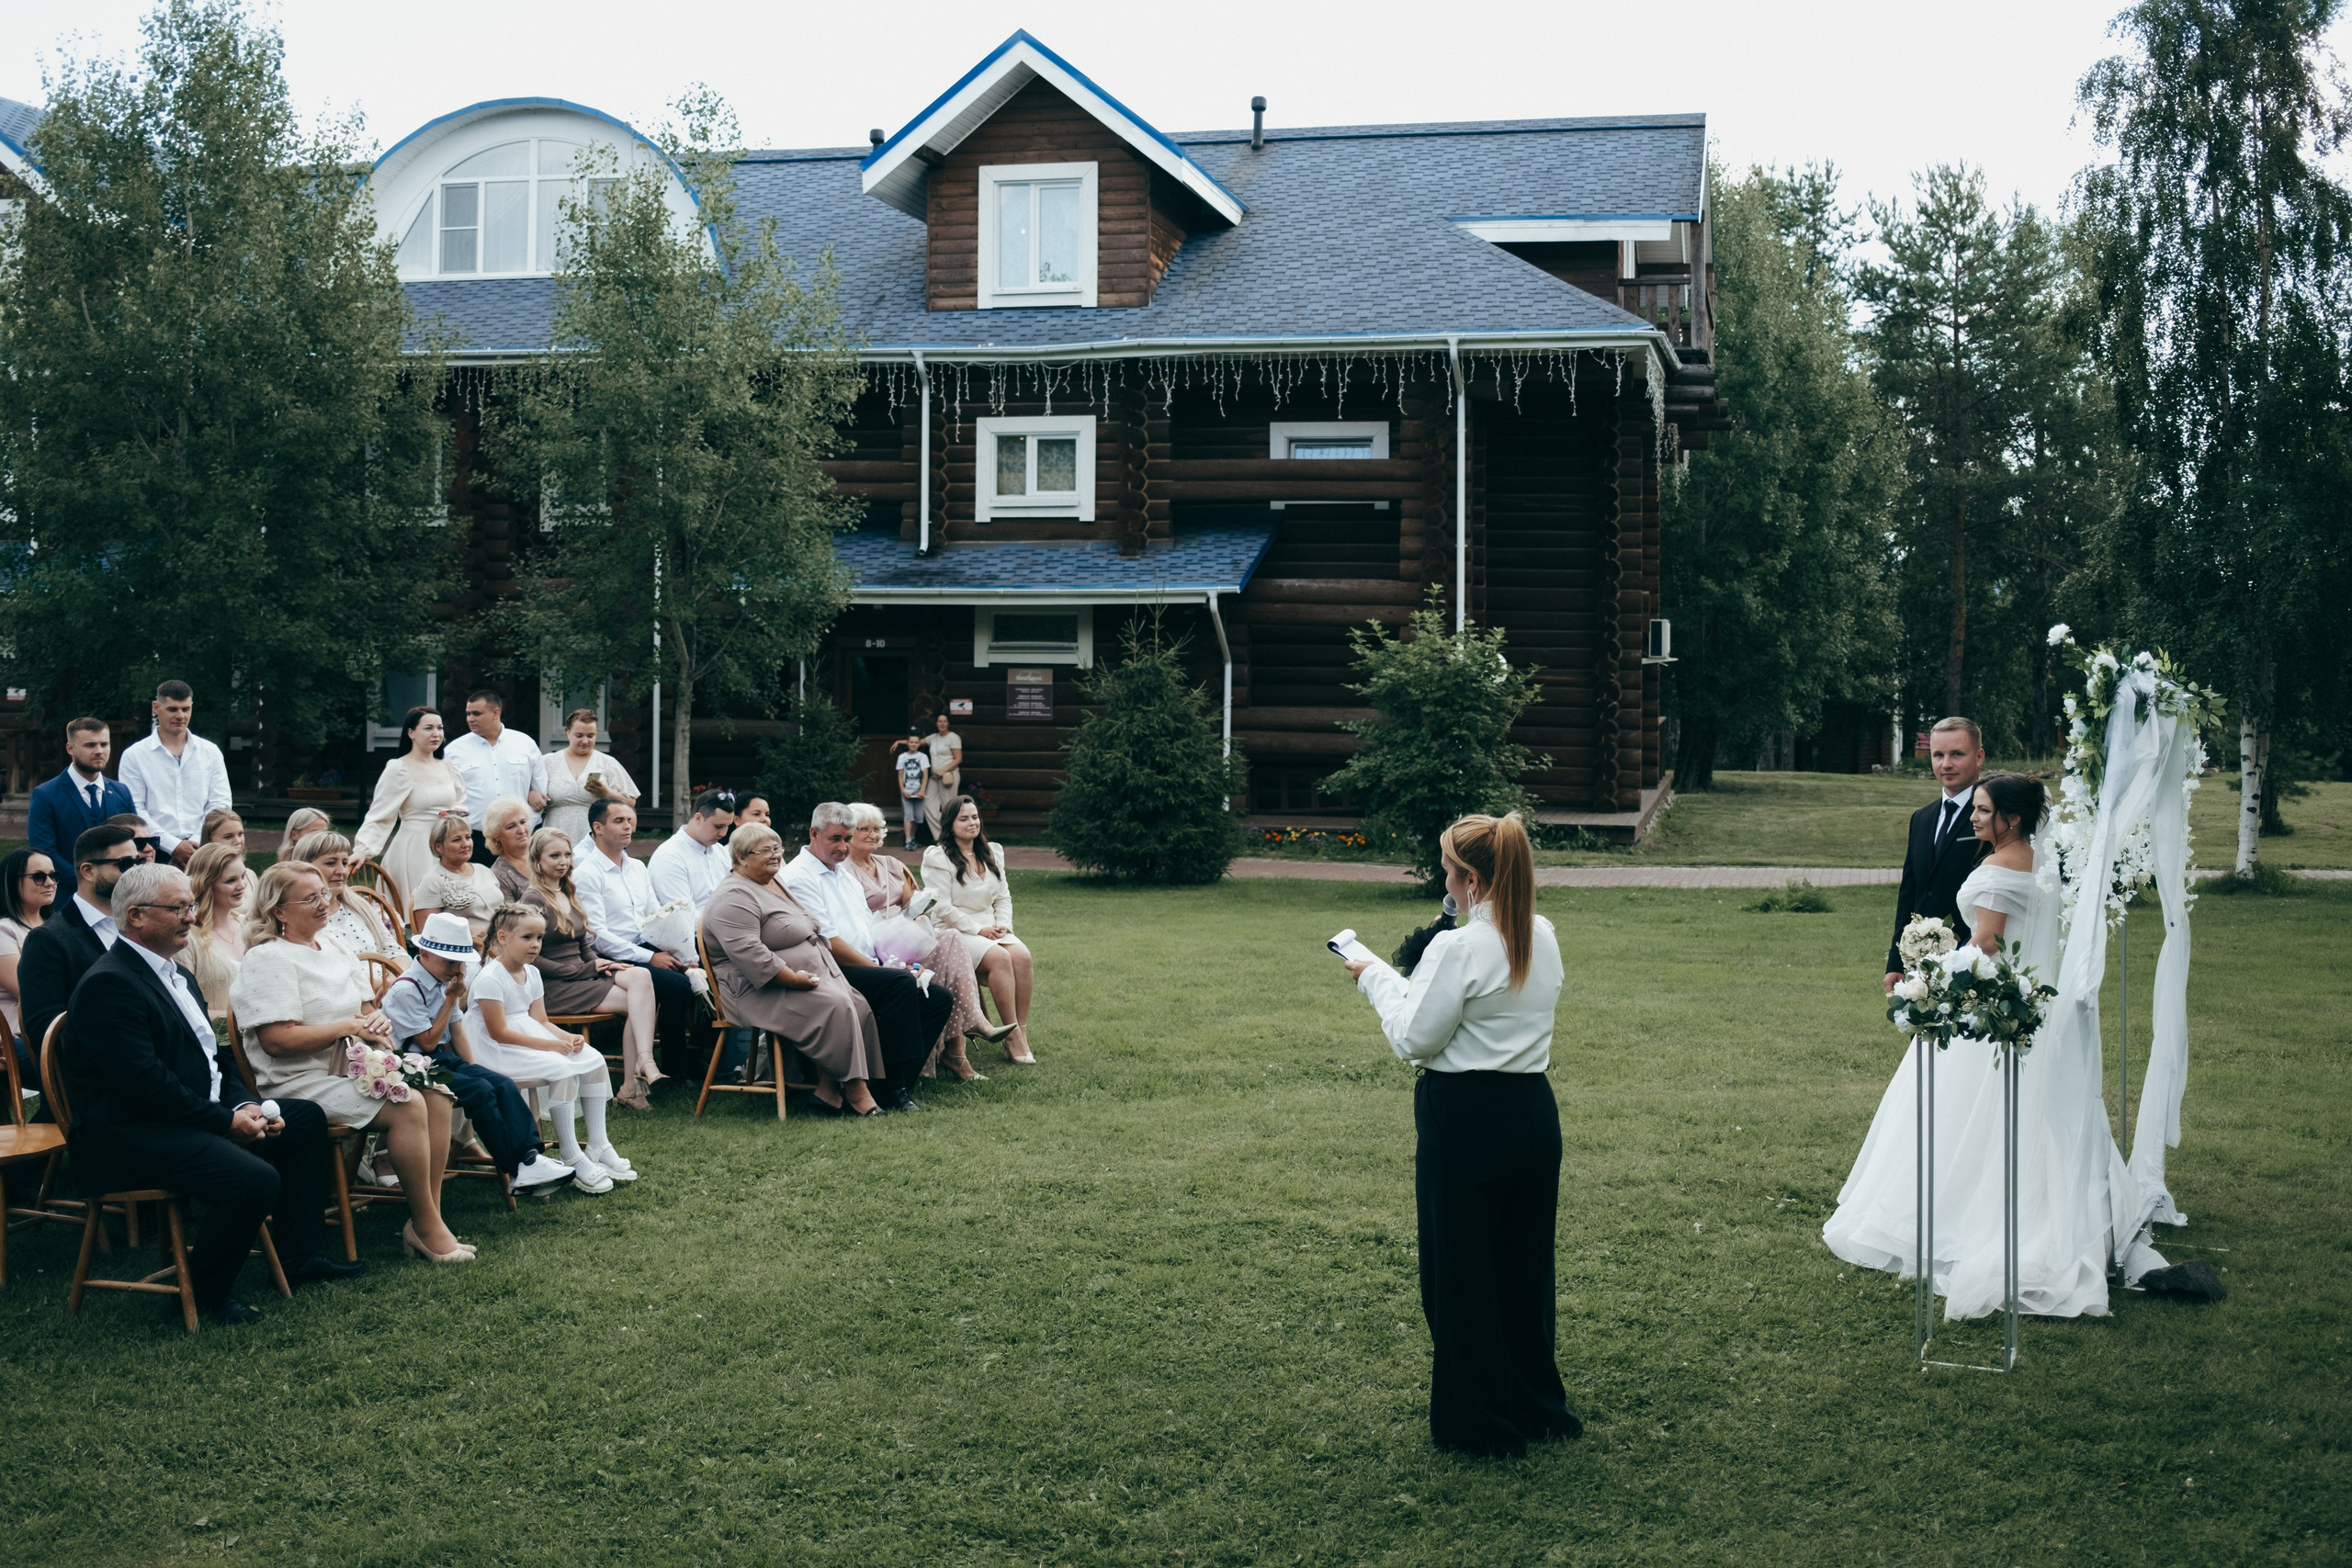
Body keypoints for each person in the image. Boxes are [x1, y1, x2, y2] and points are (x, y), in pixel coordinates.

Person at [1826, 773, 2160, 1320]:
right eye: (1975, 809)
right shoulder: (2038, 860)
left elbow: (1987, 947)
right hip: (2027, 1007)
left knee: (1965, 1118)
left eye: (1984, 811)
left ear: (2013, 819)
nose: (1975, 818)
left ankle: (1964, 1222)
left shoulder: (2003, 866)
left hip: (1989, 1009)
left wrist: (1930, 978)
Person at [1343, 811, 1579, 1457]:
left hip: (1467, 1116)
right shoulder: (1542, 934)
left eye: (1448, 870)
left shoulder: (1458, 947)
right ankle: (1534, 1400)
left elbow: (1414, 1039)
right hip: (1532, 1112)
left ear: (1471, 878)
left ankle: (1480, 1418)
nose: (1444, 879)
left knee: (1464, 1267)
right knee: (1522, 1266)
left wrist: (1373, 979)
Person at [61, 863, 359, 1325]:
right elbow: (144, 1087)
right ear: (135, 916)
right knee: (253, 1180)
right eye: (178, 907)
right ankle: (201, 1295)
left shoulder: (174, 973)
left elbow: (215, 1060)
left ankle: (301, 1257)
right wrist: (223, 1123)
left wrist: (246, 1105)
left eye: (191, 905)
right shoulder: (110, 983)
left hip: (179, 1117)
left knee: (305, 1120)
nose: (190, 916)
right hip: (127, 1137)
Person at [229, 861, 473, 1263]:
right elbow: (276, 1041)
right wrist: (349, 1026)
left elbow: (365, 1012)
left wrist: (375, 1023)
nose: (325, 903)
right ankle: (428, 1228)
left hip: (352, 1068)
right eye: (310, 898)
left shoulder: (336, 947)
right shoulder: (267, 959)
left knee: (438, 1094)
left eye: (324, 893)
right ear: (279, 911)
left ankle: (428, 1218)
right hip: (297, 1080)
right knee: (407, 1104)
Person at [376, 911, 578, 1197]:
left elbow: (457, 1031)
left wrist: (474, 1068)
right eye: (449, 961)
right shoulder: (407, 990)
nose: (456, 967)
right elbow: (429, 1042)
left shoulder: (445, 979)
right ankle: (518, 1168)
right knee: (481, 1092)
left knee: (501, 1084)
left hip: (443, 1061)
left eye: (460, 961)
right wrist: (450, 998)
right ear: (425, 953)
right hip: (410, 1066)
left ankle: (531, 1158)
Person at [700, 822, 889, 1116]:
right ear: (741, 858)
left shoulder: (771, 880)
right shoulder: (733, 897)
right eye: (766, 851)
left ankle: (828, 1091)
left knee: (857, 1004)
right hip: (756, 988)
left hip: (802, 976)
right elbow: (750, 954)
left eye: (777, 848)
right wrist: (792, 979)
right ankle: (856, 1090)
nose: (776, 855)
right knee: (836, 1005)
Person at [786, 804, 955, 1112]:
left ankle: (892, 1083)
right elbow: (828, 942)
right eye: (836, 838)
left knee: (938, 998)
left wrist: (893, 963)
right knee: (899, 986)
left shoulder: (844, 876)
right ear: (814, 833)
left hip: (864, 964)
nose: (843, 847)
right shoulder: (799, 876)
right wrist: (882, 970)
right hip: (828, 969)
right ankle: (892, 1090)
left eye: (848, 839)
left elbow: (869, 930)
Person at [475, 904, 634, 1190]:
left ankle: (598, 1144)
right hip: (494, 1048)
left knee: (593, 1058)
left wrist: (566, 1038)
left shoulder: (532, 973)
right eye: (527, 938)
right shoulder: (490, 977)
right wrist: (551, 1046)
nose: (535, 945)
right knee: (560, 1067)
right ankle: (571, 1154)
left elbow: (541, 1020)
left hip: (528, 1035)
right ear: (502, 936)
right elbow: (498, 1032)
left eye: (539, 938)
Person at [843, 801, 1004, 1081]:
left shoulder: (890, 864)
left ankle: (962, 1042)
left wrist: (918, 915)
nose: (872, 834)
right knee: (951, 948)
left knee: (951, 938)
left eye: (876, 828)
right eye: (863, 829)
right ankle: (965, 1037)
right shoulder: (843, 871)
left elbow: (911, 904)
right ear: (848, 833)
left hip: (905, 941)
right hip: (876, 950)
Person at [519, 829, 662, 1107]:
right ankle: (634, 1082)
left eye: (567, 854)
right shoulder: (533, 899)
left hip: (581, 976)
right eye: (554, 855)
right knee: (639, 999)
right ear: (537, 861)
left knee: (640, 981)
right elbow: (530, 958)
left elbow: (583, 943)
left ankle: (638, 1071)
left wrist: (602, 963)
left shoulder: (568, 889)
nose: (563, 861)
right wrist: (586, 969)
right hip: (555, 985)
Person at [572, 798, 699, 1077]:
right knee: (677, 987)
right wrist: (651, 957)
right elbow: (598, 935)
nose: (628, 826)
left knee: (694, 971)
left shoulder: (637, 868)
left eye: (630, 820)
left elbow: (656, 916)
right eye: (619, 821)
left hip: (644, 946)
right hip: (610, 959)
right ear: (598, 828)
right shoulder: (587, 874)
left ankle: (696, 1059)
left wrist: (677, 951)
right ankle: (676, 1069)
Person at [922, 795, 1036, 1065]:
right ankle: (1010, 1035)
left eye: (974, 817)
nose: (972, 823)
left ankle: (1021, 1031)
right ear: (950, 824)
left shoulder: (993, 851)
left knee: (1022, 956)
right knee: (1000, 959)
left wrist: (1003, 925)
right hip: (954, 930)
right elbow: (941, 907)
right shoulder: (937, 857)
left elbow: (1003, 897)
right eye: (964, 819)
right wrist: (978, 929)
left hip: (992, 926)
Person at [17, 823, 140, 1068]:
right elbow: (48, 1033)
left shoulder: (142, 925)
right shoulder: (49, 940)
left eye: (138, 862)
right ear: (88, 871)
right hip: (102, 1081)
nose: (135, 872)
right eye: (125, 864)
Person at [1884, 717, 1991, 996]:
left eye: (1957, 754)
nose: (1946, 764)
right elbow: (1910, 892)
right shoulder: (1921, 818)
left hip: (1974, 956)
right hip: (1921, 960)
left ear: (1979, 757)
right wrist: (1895, 960)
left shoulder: (1992, 816)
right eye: (1938, 755)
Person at [354, 707, 468, 907]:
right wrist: (363, 850)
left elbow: (459, 801)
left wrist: (456, 814)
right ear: (411, 733)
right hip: (415, 849)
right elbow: (380, 815)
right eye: (428, 728)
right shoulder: (399, 768)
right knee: (416, 907)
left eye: (440, 728)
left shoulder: (449, 766)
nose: (436, 734)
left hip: (447, 847)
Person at [119, 680, 235, 869]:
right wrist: (174, 846)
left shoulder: (210, 752)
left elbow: (220, 804)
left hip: (204, 848)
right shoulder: (135, 756)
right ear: (156, 707)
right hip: (155, 851)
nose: (180, 715)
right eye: (173, 709)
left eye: (185, 709)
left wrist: (197, 841)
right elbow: (135, 809)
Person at [444, 690, 548, 864]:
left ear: (495, 713)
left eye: (476, 713)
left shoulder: (524, 744)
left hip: (519, 839)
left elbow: (540, 791)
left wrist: (527, 826)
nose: (470, 718)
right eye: (468, 714)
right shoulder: (454, 751)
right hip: (475, 840)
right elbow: (447, 796)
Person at [25, 716, 135, 865]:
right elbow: (44, 851)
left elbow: (135, 841)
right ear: (70, 749)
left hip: (119, 885)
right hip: (68, 885)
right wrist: (83, 881)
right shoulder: (46, 795)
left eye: (104, 744)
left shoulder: (122, 792)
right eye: (90, 745)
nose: (99, 751)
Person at [292, 830, 404, 962]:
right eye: (330, 863)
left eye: (345, 863)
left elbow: (396, 952)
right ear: (305, 867)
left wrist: (394, 978)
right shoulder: (299, 918)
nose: (341, 871)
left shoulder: (360, 907)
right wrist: (380, 982)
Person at [540, 709, 639, 847]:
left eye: (591, 736)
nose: (585, 741)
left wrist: (607, 793)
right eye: (579, 735)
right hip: (555, 835)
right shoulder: (548, 762)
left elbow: (631, 802)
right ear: (568, 732)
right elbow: (531, 794)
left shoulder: (607, 763)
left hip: (594, 837)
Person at [410, 814, 509, 942]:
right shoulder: (433, 880)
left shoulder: (483, 870)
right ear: (438, 847)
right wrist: (466, 930)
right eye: (456, 840)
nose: (465, 844)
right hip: (465, 950)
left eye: (468, 837)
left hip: (503, 943)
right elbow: (427, 933)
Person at [0, 847, 58, 1055]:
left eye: (53, 875)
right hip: (17, 1035)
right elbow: (28, 991)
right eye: (39, 877)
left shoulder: (60, 927)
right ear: (13, 882)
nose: (50, 883)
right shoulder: (4, 930)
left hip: (57, 1026)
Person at [184, 842, 251, 1020]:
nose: (242, 885)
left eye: (243, 876)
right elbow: (184, 1007)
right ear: (207, 884)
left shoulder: (249, 925)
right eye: (231, 880)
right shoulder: (187, 938)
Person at [648, 788, 736, 910]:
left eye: (728, 826)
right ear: (698, 818)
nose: (723, 833)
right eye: (718, 826)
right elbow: (682, 916)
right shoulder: (669, 856)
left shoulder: (720, 852)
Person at [921, 713, 963, 846]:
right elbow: (916, 742)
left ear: (948, 723)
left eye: (944, 721)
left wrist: (943, 770)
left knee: (948, 807)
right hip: (934, 777)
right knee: (928, 805)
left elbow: (958, 758)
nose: (942, 724)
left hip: (948, 776)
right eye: (940, 721)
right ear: (937, 724)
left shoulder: (953, 737)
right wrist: (899, 741)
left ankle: (953, 838)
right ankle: (941, 838)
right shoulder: (933, 738)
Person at [483, 797, 537, 901]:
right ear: (496, 835)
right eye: (511, 826)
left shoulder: (544, 856)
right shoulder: (498, 875)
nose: (521, 830)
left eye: (523, 822)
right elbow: (511, 916)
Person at [892, 730, 931, 850]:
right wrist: (902, 790)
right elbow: (900, 775)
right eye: (911, 742)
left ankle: (913, 838)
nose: (913, 744)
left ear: (919, 743)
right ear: (907, 743)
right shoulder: (902, 757)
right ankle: (908, 840)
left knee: (917, 816)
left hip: (919, 791)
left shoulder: (923, 757)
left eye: (916, 742)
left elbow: (925, 774)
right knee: (908, 816)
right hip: (907, 791)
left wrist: (922, 790)